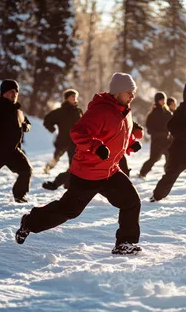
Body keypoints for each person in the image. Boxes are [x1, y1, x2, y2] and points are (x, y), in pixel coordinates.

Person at [15, 73, 143, 255]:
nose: (132, 96)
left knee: (131, 202)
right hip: (88, 174)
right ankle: (29, 222)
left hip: (110, 171)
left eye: (133, 92)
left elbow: (116, 134)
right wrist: (96, 146)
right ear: (117, 92)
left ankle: (124, 243)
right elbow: (78, 132)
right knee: (69, 211)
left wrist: (130, 143)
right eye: (129, 92)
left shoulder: (125, 112)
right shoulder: (101, 111)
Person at [43, 89, 83, 174]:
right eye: (72, 96)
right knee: (56, 158)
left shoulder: (78, 111)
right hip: (63, 140)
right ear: (66, 98)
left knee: (73, 162)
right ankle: (47, 168)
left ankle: (69, 180)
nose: (75, 98)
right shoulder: (60, 111)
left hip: (74, 141)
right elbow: (47, 120)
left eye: (75, 96)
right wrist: (52, 129)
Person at [138, 92, 172, 178]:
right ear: (157, 101)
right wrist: (158, 132)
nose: (163, 101)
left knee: (170, 156)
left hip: (166, 139)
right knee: (154, 158)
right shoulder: (153, 113)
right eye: (161, 100)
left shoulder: (167, 112)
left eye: (164, 99)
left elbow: (171, 123)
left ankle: (168, 174)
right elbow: (149, 127)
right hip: (157, 140)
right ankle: (142, 173)